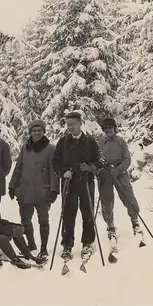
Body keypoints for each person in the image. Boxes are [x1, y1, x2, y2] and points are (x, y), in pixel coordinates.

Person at [8, 119, 60, 258]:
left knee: (43, 221)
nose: (37, 133)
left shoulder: (51, 149)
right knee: (25, 220)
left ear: (43, 132)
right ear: (30, 132)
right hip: (24, 191)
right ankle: (31, 245)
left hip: (43, 192)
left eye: (39, 130)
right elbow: (18, 168)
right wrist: (12, 186)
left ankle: (43, 248)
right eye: (34, 131)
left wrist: (54, 189)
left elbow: (54, 170)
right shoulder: (25, 148)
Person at [52, 111, 100, 259]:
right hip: (69, 183)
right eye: (68, 125)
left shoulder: (90, 142)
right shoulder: (63, 142)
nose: (70, 127)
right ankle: (67, 245)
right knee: (67, 213)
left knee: (87, 212)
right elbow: (55, 162)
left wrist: (90, 167)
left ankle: (87, 243)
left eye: (73, 124)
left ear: (80, 124)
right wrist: (63, 172)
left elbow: (98, 162)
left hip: (86, 181)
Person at [97, 117, 143, 240]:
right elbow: (96, 160)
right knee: (106, 200)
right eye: (106, 128)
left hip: (120, 173)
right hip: (106, 175)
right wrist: (100, 170)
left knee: (128, 195)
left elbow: (127, 159)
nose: (108, 130)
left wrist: (118, 170)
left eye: (110, 128)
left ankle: (135, 221)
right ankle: (110, 225)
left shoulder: (121, 142)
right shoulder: (100, 142)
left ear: (114, 129)